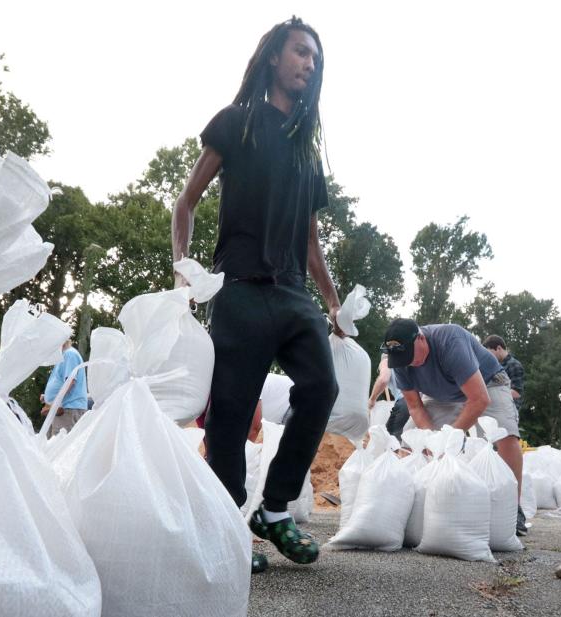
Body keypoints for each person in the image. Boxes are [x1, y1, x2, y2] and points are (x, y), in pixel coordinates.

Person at [172, 17, 342, 574]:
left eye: (315, 59)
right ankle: (227, 527)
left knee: (322, 386)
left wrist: (334, 303)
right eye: (300, 53)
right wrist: (182, 270)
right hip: (240, 289)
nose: (308, 65)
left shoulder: (305, 148)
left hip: (294, 295)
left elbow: (312, 238)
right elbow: (187, 201)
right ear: (274, 56)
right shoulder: (236, 124)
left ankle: (273, 508)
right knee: (230, 415)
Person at [382, 318, 528, 535]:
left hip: (488, 384)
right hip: (441, 395)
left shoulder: (450, 341)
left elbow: (479, 400)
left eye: (410, 357)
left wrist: (449, 440)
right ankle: (408, 502)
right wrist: (432, 439)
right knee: (412, 439)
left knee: (505, 435)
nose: (408, 363)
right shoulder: (401, 361)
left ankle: (513, 509)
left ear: (421, 338)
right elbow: (415, 407)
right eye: (402, 360)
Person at [41, 339, 88, 438]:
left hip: (68, 409)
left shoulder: (69, 354)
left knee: (59, 447)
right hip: (61, 409)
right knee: (52, 446)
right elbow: (61, 382)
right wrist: (48, 397)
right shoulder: (64, 356)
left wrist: (55, 400)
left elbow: (70, 381)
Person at [367, 353, 410, 439]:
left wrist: (372, 400)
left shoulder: (386, 360)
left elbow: (383, 379)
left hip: (406, 402)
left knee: (389, 440)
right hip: (424, 401)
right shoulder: (409, 357)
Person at [483, 334, 525, 410]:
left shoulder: (514, 365)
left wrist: (490, 393)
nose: (488, 357)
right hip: (496, 409)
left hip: (509, 412)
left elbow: (517, 393)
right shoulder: (496, 366)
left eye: (490, 353)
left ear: (498, 348)